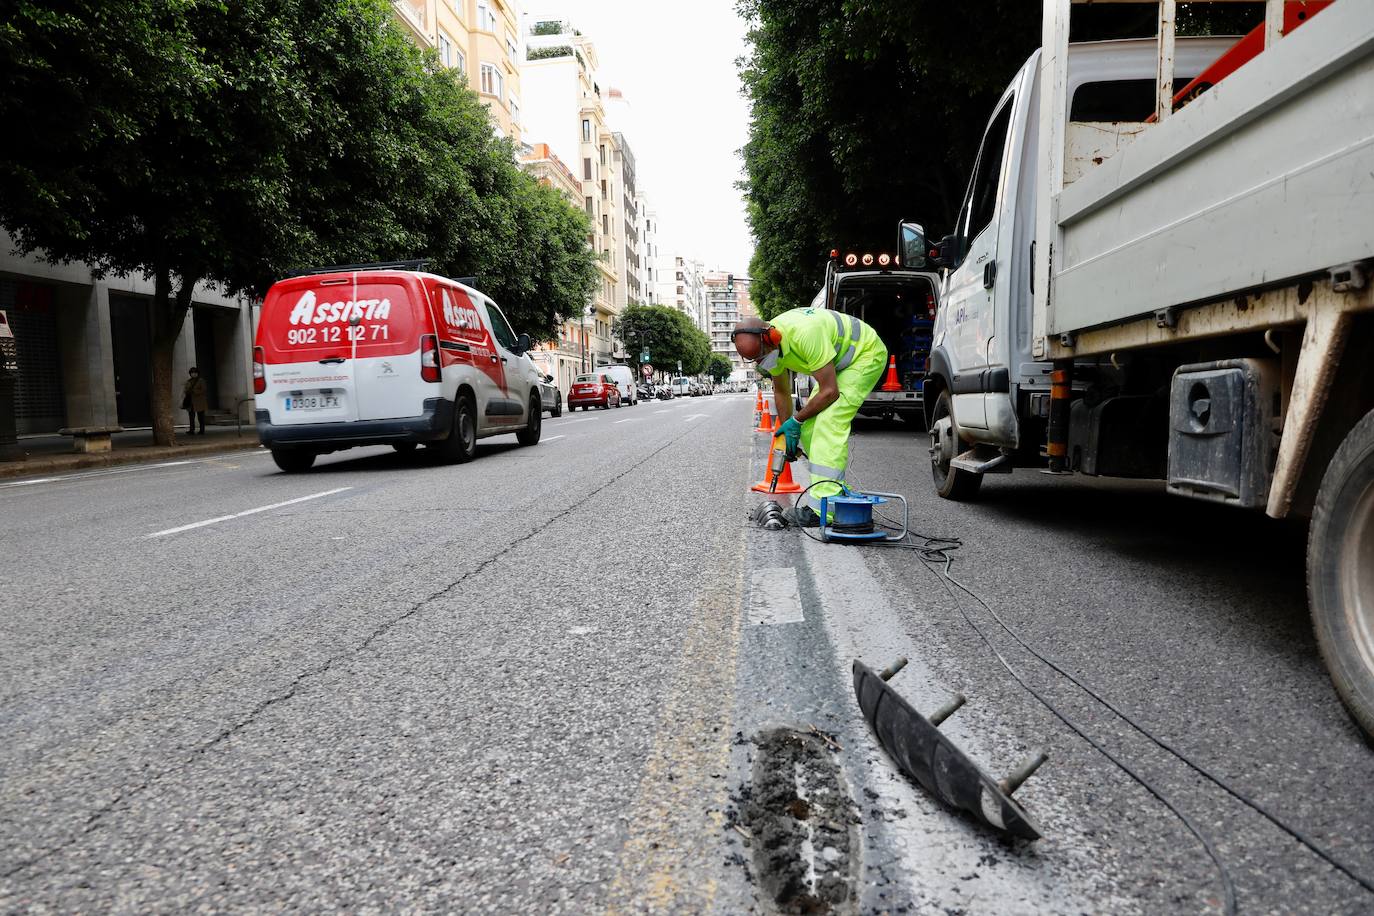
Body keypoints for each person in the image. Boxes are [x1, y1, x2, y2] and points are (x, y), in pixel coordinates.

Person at [731, 308, 887, 526]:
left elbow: (830, 391)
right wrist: (788, 431)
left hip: (864, 355)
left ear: (772, 336)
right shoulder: (767, 349)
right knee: (809, 427)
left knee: (829, 422)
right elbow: (782, 391)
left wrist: (795, 420)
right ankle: (833, 490)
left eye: (761, 355)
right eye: (755, 359)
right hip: (838, 366)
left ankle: (824, 508)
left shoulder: (805, 333)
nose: (762, 361)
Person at [182, 367, 208, 435]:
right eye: (192, 373)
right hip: (191, 401)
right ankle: (191, 430)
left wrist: (194, 391)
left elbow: (204, 389)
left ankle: (202, 430)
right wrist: (186, 390)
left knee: (201, 417)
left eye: (195, 373)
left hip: (199, 401)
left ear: (197, 373)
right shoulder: (189, 381)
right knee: (191, 416)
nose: (193, 374)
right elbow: (186, 390)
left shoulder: (201, 380)